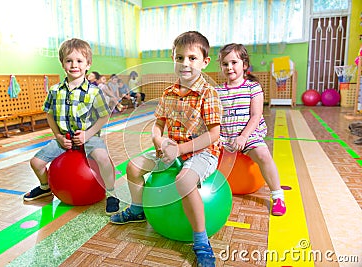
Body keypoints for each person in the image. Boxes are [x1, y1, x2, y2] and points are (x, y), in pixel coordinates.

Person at [110, 31, 222, 267]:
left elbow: (213, 135)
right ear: (173, 58)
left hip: (203, 153)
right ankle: (137, 209)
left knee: (183, 181)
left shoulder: (208, 93)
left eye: (192, 58)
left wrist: (180, 150)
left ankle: (201, 240)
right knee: (133, 167)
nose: (185, 64)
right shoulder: (168, 93)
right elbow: (157, 125)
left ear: (205, 62)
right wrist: (159, 141)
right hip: (171, 151)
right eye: (179, 57)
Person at [23, 38, 120, 216]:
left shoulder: (94, 91)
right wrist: (58, 137)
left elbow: (104, 116)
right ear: (62, 64)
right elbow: (49, 114)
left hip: (90, 138)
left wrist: (87, 135)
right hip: (64, 140)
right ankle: (45, 187)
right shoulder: (54, 91)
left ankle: (112, 194)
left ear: (88, 64)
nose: (74, 65)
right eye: (69, 60)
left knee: (103, 159)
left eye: (79, 61)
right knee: (35, 163)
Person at [216, 43, 286, 216]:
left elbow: (256, 115)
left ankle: (277, 196)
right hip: (225, 136)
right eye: (225, 64)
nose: (229, 67)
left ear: (244, 65)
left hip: (248, 135)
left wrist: (243, 137)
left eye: (234, 62)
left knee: (263, 154)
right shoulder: (217, 91)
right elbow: (215, 118)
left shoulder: (252, 87)